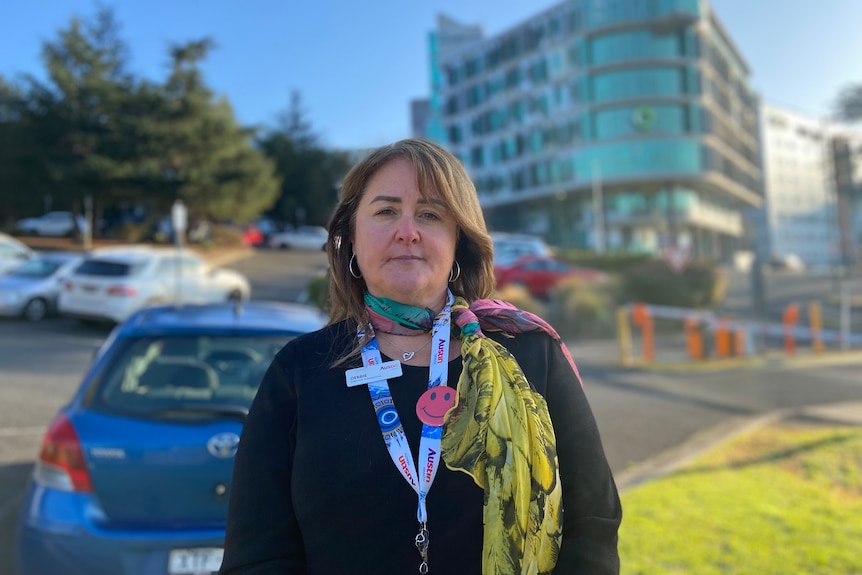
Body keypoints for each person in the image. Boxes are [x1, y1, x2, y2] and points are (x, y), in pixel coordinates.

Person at [219, 139, 622, 575]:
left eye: (430, 214)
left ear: (458, 242)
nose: (407, 231)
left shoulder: (529, 354)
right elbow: (258, 554)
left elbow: (592, 526)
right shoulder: (298, 371)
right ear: (350, 237)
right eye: (386, 211)